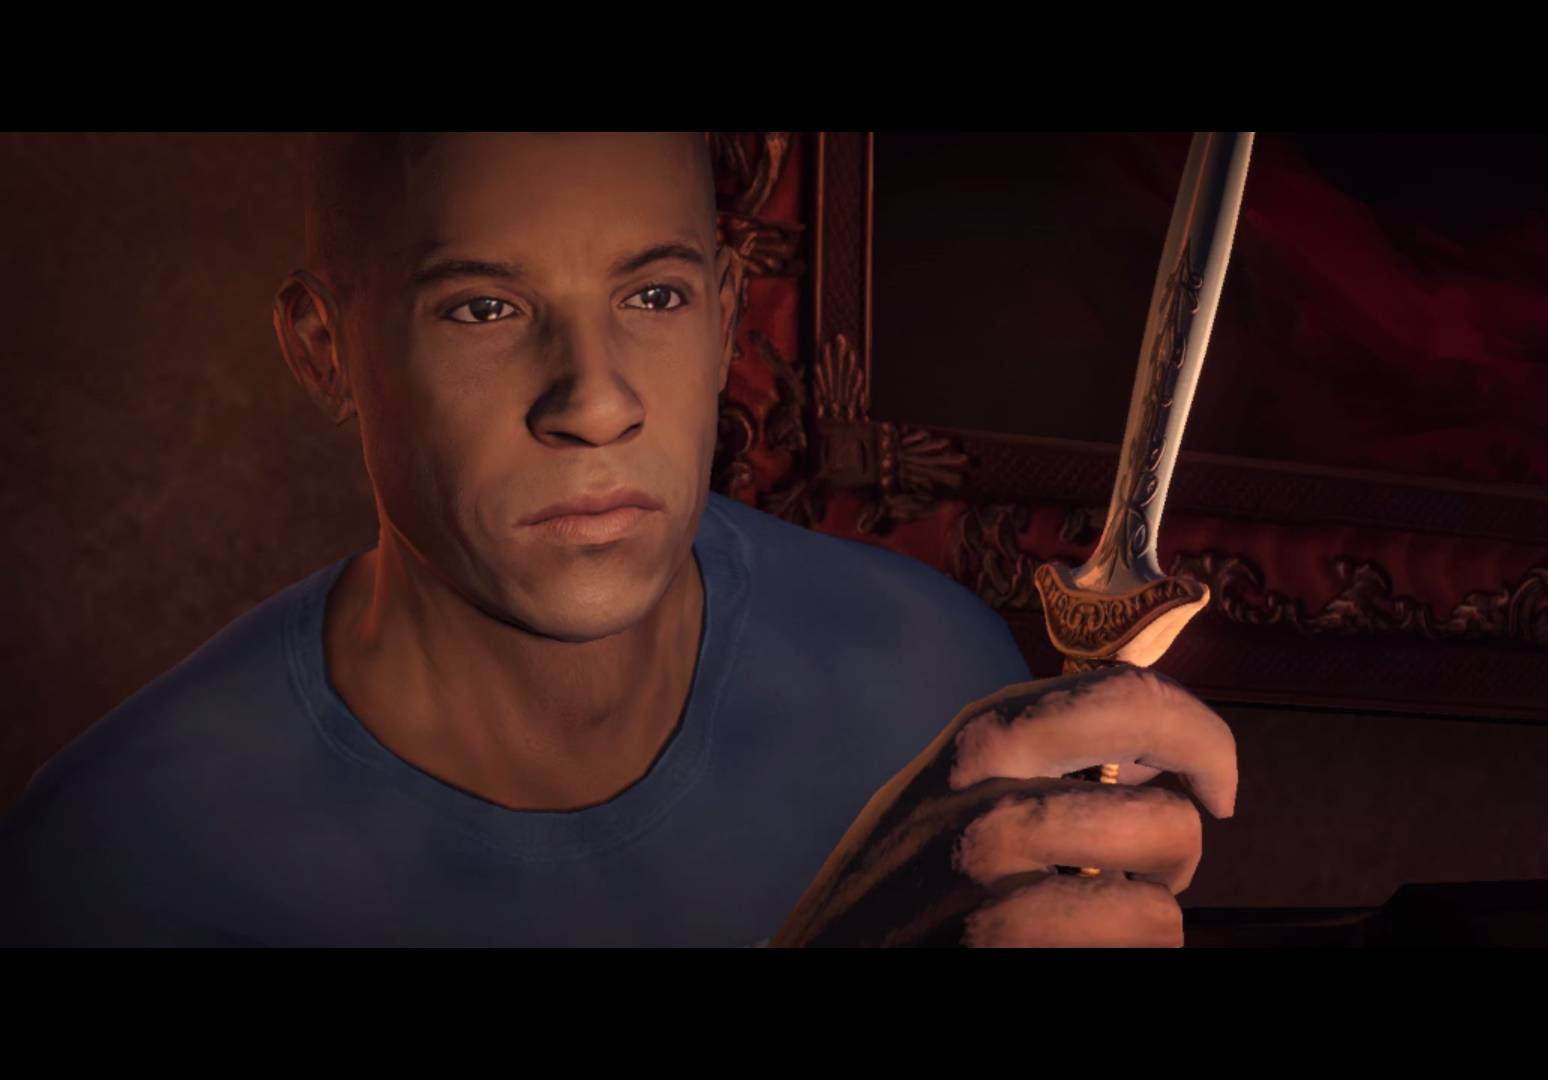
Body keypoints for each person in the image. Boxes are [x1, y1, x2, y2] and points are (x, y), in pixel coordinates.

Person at [0, 132, 1237, 947]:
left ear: (726, 312)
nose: (594, 402)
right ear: (325, 349)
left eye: (653, 296)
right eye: (484, 308)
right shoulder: (120, 864)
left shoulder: (934, 681)